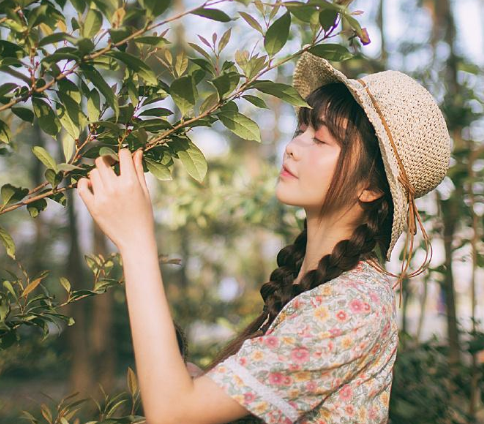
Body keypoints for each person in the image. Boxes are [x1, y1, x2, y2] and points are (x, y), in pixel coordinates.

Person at [76, 51, 451, 424]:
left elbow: (174, 413)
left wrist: (136, 240)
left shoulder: (354, 303)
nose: (292, 146)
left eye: (320, 140)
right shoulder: (320, 289)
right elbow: (191, 400)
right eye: (302, 130)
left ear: (370, 187)